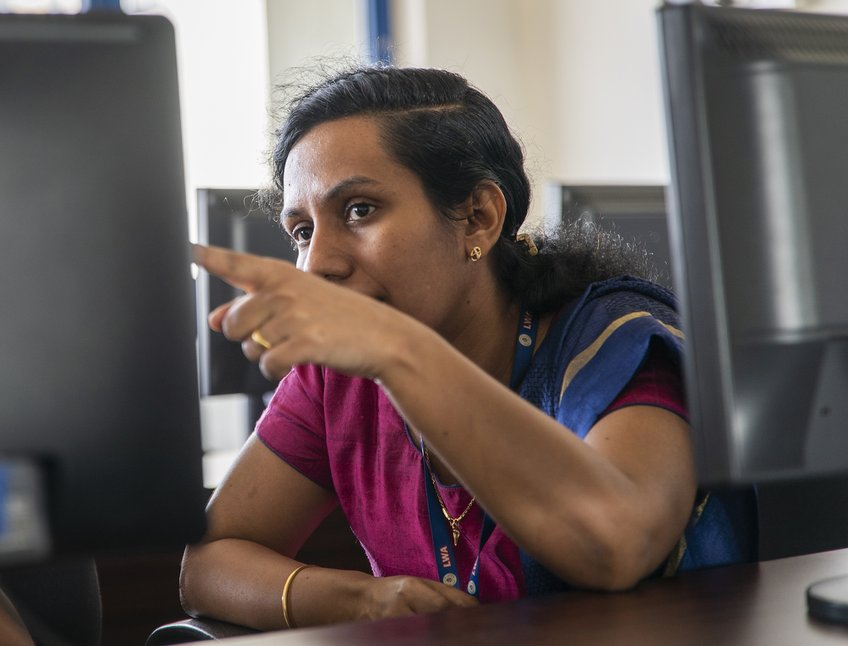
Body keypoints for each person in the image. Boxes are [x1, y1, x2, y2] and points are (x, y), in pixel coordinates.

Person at [179, 65, 752, 631]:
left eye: (359, 210)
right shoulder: (339, 378)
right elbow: (206, 564)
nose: (317, 265)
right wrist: (357, 600)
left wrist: (398, 351)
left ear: (479, 218)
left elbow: (616, 545)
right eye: (302, 232)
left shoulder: (615, 339)